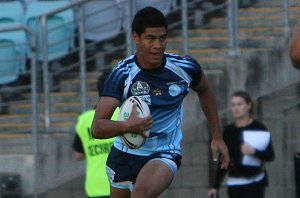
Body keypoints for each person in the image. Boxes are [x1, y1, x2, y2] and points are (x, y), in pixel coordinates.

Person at [91, 6, 230, 198]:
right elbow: (97, 128)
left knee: (140, 194)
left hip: (164, 152)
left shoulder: (184, 68)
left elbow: (205, 90)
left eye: (162, 38)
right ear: (136, 37)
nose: (158, 45)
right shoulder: (122, 74)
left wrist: (217, 137)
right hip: (124, 155)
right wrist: (128, 126)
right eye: (150, 38)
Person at [208, 90, 275, 198]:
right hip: (235, 183)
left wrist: (254, 151)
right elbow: (224, 160)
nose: (236, 108)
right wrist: (215, 186)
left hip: (255, 182)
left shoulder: (259, 128)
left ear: (248, 105)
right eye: (233, 105)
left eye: (239, 104)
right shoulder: (229, 131)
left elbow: (270, 155)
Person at [73, 69, 119, 198]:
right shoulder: (125, 114)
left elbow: (78, 154)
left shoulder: (85, 119)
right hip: (121, 186)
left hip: (95, 188)